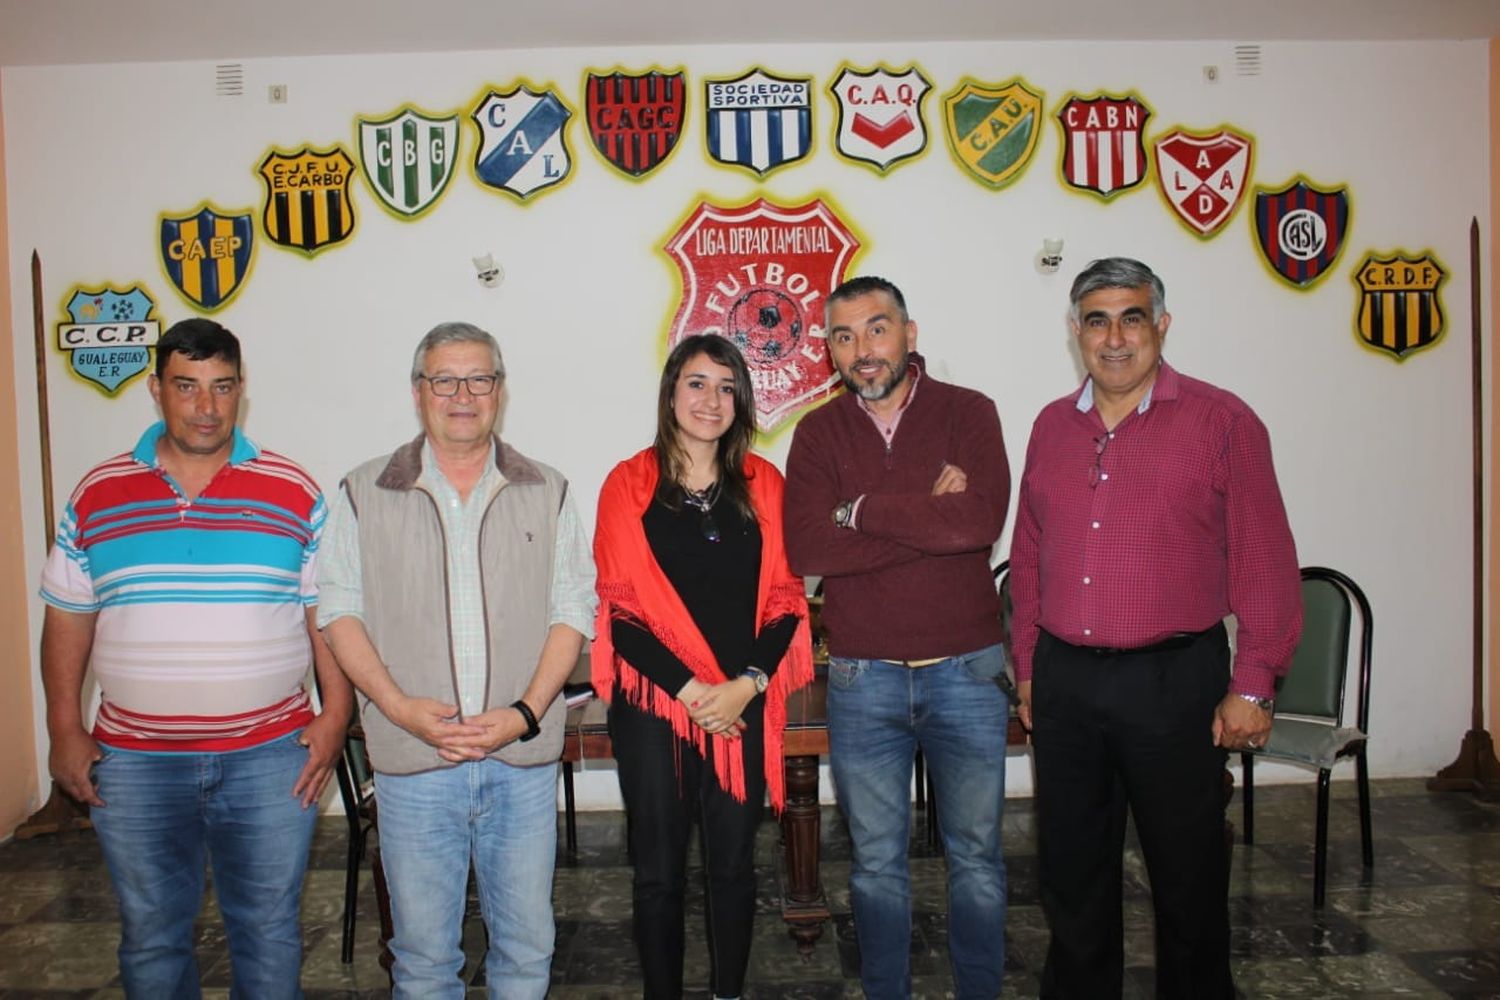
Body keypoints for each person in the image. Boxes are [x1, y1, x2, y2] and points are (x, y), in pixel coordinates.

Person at [1009, 257, 1302, 999]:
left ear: (1161, 326)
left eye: (1131, 317)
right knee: (1071, 879)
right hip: (1068, 683)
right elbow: (1029, 554)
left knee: (1189, 881)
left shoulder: (1222, 421)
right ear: (1075, 331)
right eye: (1097, 319)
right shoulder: (1051, 425)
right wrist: (1031, 671)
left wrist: (1255, 686)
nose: (1115, 337)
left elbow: (1266, 562)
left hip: (1175, 683)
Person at [38, 318, 351, 999]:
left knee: (269, 931)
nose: (206, 407)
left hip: (271, 757)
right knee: (152, 935)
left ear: (241, 392)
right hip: (136, 763)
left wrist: (335, 716)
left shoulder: (293, 491)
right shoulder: (97, 494)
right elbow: (66, 618)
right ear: (156, 390)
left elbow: (327, 617)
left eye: (222, 388)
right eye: (187, 387)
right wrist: (64, 726)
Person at [316, 322, 595, 999]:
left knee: (527, 949)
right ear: (419, 392)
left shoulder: (548, 489)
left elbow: (573, 612)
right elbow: (338, 613)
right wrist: (400, 708)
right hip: (415, 763)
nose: (462, 394)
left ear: (500, 391)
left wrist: (524, 714)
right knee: (421, 959)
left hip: (520, 764)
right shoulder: (363, 491)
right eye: (445, 379)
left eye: (479, 379)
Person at [783, 276, 1012, 999]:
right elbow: (808, 550)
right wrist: (923, 517)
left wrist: (860, 511)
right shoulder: (818, 432)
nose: (863, 350)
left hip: (968, 673)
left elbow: (977, 525)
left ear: (909, 335)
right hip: (863, 678)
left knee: (976, 856)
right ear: (830, 351)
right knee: (875, 862)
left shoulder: (969, 412)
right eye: (844, 337)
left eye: (877, 330)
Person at [591, 334, 813, 1000]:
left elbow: (784, 599)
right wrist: (694, 693)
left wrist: (744, 687)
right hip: (656, 704)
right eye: (696, 383)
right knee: (657, 871)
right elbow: (620, 612)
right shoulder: (628, 485)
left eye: (725, 386)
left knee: (735, 865)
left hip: (739, 705)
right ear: (670, 393)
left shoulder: (764, 486)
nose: (710, 399)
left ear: (741, 401)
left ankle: (727, 993)